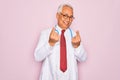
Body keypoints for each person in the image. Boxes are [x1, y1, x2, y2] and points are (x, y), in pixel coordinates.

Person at [34, 3, 87, 80]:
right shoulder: (45, 33)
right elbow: (37, 57)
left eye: (71, 17)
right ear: (57, 15)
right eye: (65, 16)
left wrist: (77, 46)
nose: (68, 19)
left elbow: (83, 58)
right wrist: (50, 44)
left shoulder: (75, 36)